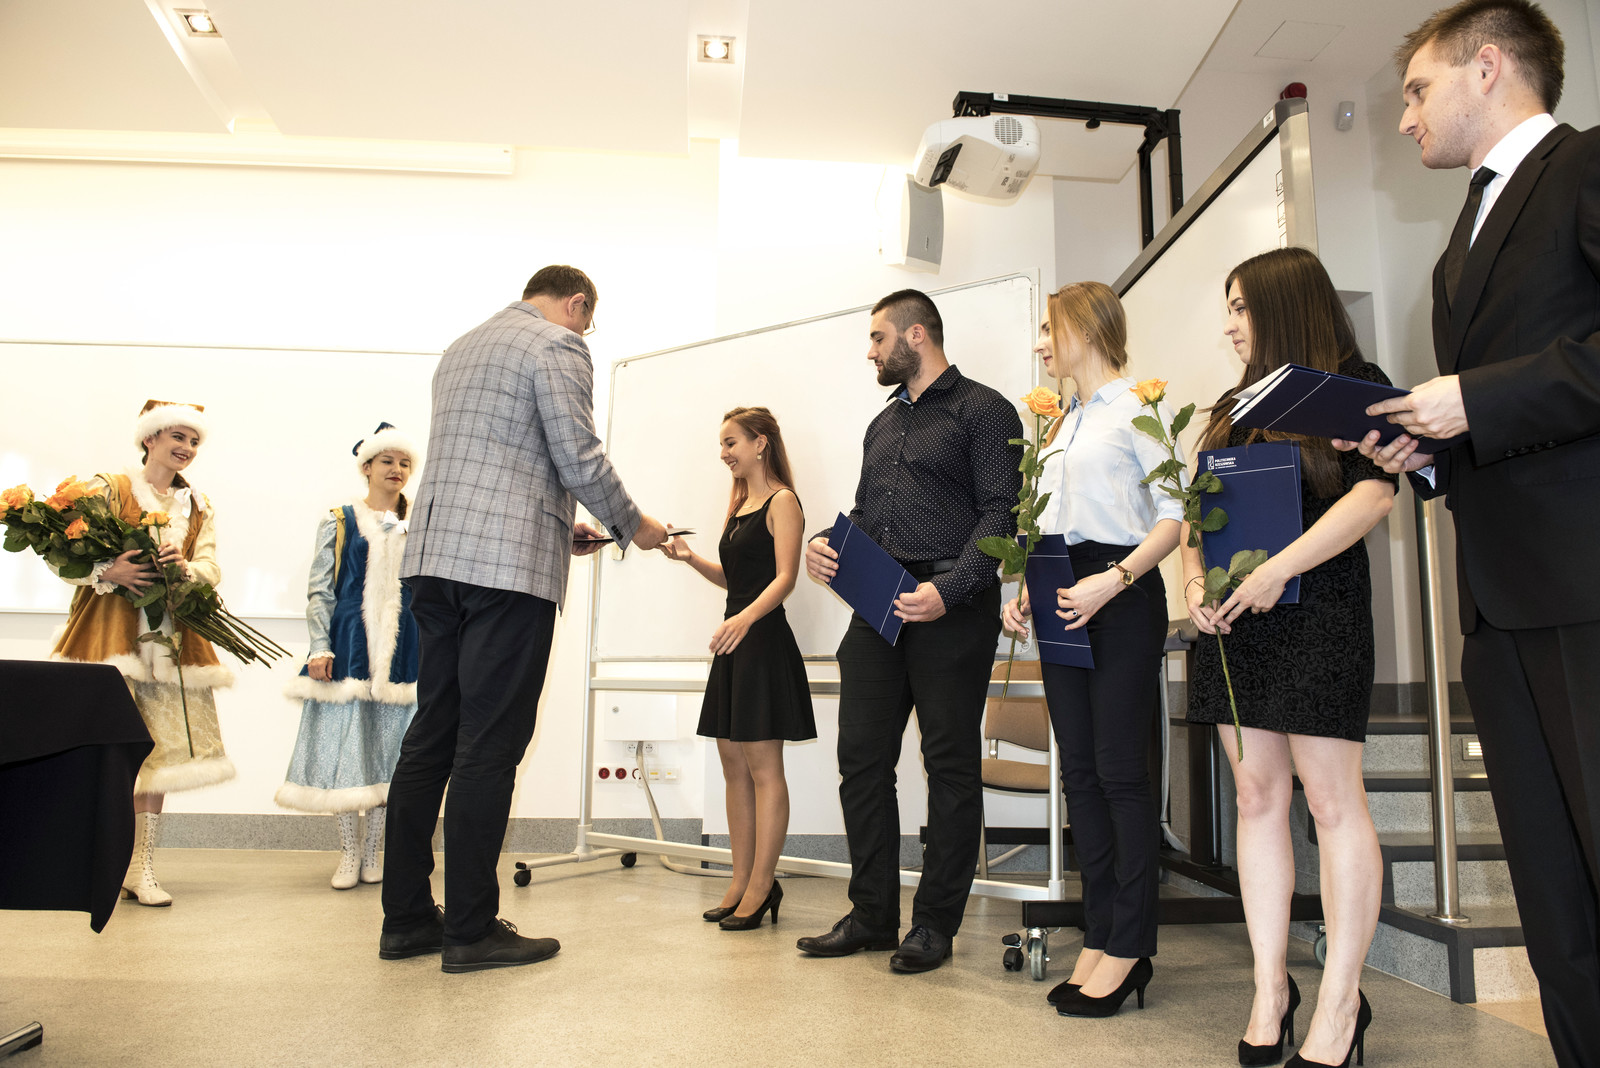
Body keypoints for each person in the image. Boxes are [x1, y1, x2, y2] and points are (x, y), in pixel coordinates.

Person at [1344, 4, 1600, 1064]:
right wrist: (1428, 450)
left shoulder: (1586, 168)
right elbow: (1498, 417)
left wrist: (1475, 400)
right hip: (1496, 603)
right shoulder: (1463, 235)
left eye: (1416, 90)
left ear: (1486, 68)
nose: (1405, 117)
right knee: (1553, 897)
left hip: (1585, 585)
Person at [378, 265, 668, 973]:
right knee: (489, 744)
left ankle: (407, 920)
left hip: (436, 564)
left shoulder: (463, 346)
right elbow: (579, 455)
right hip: (505, 578)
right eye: (587, 322)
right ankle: (470, 930)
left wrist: (555, 528)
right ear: (576, 304)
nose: (585, 334)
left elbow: (494, 467)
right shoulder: (558, 344)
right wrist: (635, 525)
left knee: (431, 738)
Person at [1187, 247, 1395, 1068]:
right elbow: (1197, 512)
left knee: (1334, 804)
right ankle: (1270, 988)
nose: (1230, 324)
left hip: (1320, 613)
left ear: (1282, 305)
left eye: (1241, 307)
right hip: (1237, 626)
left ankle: (1342, 1004)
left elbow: (1375, 493)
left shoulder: (1352, 383)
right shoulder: (1231, 407)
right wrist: (1195, 581)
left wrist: (1280, 568)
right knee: (1256, 798)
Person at [796, 289, 1022, 973]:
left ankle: (934, 924)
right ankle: (871, 915)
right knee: (861, 760)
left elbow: (1002, 514)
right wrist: (825, 546)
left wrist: (948, 592)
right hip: (879, 607)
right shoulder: (882, 424)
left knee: (948, 765)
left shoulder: (985, 410)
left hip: (952, 606)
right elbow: (870, 515)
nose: (870, 352)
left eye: (877, 338)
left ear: (915, 335)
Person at [1000, 282, 1180, 1017]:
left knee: (1119, 773)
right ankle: (1100, 932)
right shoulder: (1059, 424)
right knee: (1078, 773)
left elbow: (1173, 518)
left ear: (1089, 328)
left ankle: (1131, 945)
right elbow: (1052, 522)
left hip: (1121, 593)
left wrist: (1114, 579)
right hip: (1061, 592)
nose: (1042, 343)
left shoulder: (1139, 406)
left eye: (1051, 328)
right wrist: (1025, 589)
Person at [51, 399, 236, 907]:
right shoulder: (109, 489)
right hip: (109, 639)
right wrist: (108, 571)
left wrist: (185, 569)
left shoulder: (197, 505)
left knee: (159, 755)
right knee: (106, 751)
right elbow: (60, 553)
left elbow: (210, 567)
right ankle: (94, 862)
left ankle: (140, 866)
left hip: (171, 643)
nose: (187, 448)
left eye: (194, 441)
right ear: (149, 438)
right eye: (177, 436)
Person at [658, 406, 816, 930]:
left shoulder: (782, 501)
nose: (724, 453)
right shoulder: (740, 504)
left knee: (765, 770)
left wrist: (744, 620)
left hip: (761, 642)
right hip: (736, 640)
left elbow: (785, 578)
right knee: (733, 767)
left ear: (760, 443)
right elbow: (738, 579)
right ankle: (740, 879)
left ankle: (763, 884)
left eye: (731, 443)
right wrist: (690, 559)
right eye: (722, 445)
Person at [277, 424, 421, 890]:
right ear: (367, 467)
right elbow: (321, 588)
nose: (396, 469)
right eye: (387, 461)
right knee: (346, 749)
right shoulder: (340, 519)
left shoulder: (421, 519)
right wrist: (320, 646)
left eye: (404, 462)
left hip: (403, 650)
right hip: (350, 645)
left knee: (391, 752)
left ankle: (375, 851)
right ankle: (348, 853)